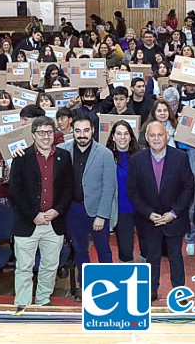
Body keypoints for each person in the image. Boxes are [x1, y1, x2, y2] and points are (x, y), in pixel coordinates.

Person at [9, 116, 74, 312]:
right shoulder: (21, 157)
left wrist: (57, 210)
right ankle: (23, 304)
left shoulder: (64, 156)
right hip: (27, 223)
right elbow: (15, 191)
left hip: (54, 222)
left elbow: (68, 190)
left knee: (50, 265)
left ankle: (44, 300)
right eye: (41, 132)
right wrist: (33, 214)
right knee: (24, 267)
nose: (46, 136)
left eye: (49, 132)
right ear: (33, 135)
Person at [127, 121, 194, 302]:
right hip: (149, 220)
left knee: (176, 256)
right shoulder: (136, 160)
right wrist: (148, 213)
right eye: (152, 135)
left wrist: (173, 213)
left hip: (174, 218)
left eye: (160, 135)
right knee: (152, 257)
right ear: (147, 138)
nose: (156, 139)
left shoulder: (180, 157)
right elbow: (132, 192)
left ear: (167, 136)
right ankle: (151, 290)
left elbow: (188, 188)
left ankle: (180, 292)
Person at [58, 114, 117, 301]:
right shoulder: (62, 150)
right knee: (80, 250)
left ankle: (108, 286)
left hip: (97, 211)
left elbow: (109, 187)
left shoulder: (105, 154)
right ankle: (86, 286)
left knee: (103, 250)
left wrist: (102, 215)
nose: (82, 135)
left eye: (85, 130)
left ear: (92, 130)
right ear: (72, 131)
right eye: (77, 131)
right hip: (73, 210)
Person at [106, 121, 142, 263]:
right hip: (121, 210)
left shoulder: (140, 156)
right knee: (126, 250)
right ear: (113, 137)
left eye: (126, 133)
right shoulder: (107, 157)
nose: (122, 137)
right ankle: (128, 278)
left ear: (131, 136)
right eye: (119, 133)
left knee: (147, 248)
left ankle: (145, 277)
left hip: (142, 209)